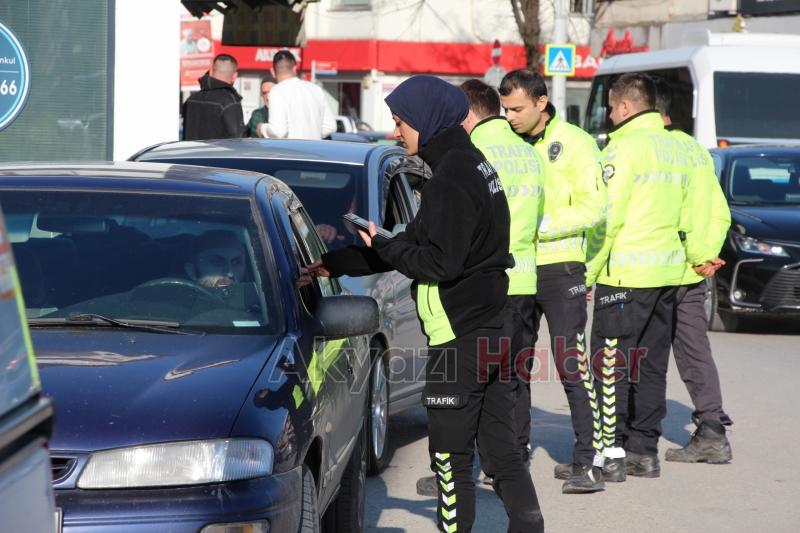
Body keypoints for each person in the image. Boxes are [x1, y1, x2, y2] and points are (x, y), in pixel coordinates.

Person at [311, 75, 544, 533]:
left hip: (461, 339)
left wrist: (384, 243)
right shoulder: (472, 164)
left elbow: (438, 262)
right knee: (503, 455)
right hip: (494, 328)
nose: (397, 132)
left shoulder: (452, 178)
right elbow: (415, 241)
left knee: (449, 460)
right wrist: (335, 263)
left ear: (426, 120)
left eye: (401, 122)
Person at [585, 73, 711, 482]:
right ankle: (644, 451)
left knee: (611, 367)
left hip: (624, 274)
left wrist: (585, 271)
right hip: (667, 274)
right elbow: (698, 210)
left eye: (610, 106)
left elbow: (607, 218)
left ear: (624, 107)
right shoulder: (678, 149)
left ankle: (612, 454)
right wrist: (697, 255)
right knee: (651, 366)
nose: (608, 114)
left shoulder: (622, 148)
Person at [498, 68, 607, 493]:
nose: (510, 116)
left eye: (518, 108)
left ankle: (589, 461)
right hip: (518, 268)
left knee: (571, 365)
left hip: (561, 268)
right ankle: (513, 453)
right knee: (513, 366)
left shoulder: (577, 143)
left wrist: (538, 224)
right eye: (505, 109)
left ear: (542, 102)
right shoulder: (506, 145)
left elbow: (595, 208)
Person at [461, 78, 545, 471]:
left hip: (488, 283)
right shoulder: (528, 152)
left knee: (475, 380)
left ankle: (467, 464)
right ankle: (513, 460)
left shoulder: (474, 152)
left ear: (468, 114)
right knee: (515, 377)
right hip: (525, 279)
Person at [652, 77, 734, 464]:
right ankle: (713, 431)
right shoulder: (697, 151)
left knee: (638, 353)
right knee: (694, 350)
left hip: (656, 269)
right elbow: (716, 210)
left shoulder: (653, 149)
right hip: (692, 268)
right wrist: (704, 255)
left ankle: (631, 440)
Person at [256, 50, 336, 140]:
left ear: (273, 71)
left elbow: (278, 132)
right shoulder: (316, 89)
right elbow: (330, 126)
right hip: (315, 151)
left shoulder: (277, 91)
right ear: (294, 68)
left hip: (290, 151)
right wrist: (311, 132)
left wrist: (262, 128)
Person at [183, 54, 246, 141]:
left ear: (211, 72)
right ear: (234, 76)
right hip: (218, 154)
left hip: (189, 153)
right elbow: (238, 137)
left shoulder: (191, 99)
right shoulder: (230, 101)